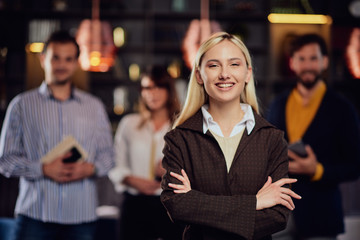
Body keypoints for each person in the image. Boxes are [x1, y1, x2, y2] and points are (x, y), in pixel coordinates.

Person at [160, 32, 301, 240]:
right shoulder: (179, 139)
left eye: (234, 64)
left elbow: (278, 216)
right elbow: (178, 207)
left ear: (248, 74)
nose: (225, 74)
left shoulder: (272, 139)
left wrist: (198, 204)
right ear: (199, 75)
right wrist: (255, 203)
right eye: (214, 65)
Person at [0, 30, 114, 240]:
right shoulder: (21, 105)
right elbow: (5, 161)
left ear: (76, 62)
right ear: (43, 59)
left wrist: (91, 168)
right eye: (56, 58)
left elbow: (109, 156)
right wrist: (42, 169)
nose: (62, 65)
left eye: (69, 59)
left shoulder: (94, 107)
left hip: (81, 217)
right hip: (35, 214)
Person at [267, 33, 360, 240]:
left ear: (324, 61)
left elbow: (355, 165)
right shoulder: (277, 104)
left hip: (322, 217)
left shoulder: (343, 108)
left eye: (313, 58)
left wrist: (317, 170)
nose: (307, 65)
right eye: (301, 58)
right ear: (292, 62)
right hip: (279, 217)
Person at [108, 65, 183, 240]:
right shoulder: (129, 124)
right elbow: (114, 163)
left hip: (170, 206)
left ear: (168, 90)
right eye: (147, 88)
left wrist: (171, 172)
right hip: (134, 205)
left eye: (159, 87)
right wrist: (131, 179)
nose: (152, 93)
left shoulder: (181, 128)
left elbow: (195, 169)